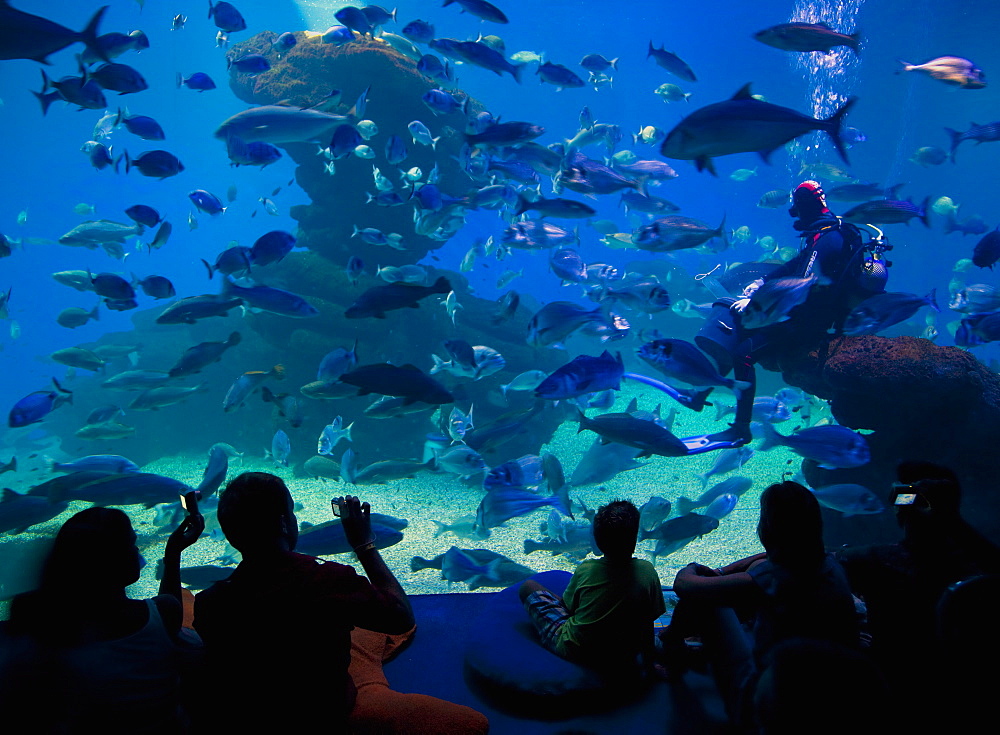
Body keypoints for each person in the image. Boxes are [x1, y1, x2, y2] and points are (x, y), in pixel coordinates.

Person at [193, 472, 487, 732]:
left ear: (231, 535)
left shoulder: (211, 604)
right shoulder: (328, 583)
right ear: (284, 523)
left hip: (256, 718)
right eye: (291, 512)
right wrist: (364, 545)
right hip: (324, 713)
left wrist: (173, 556)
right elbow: (400, 618)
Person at [680, 180, 889, 454]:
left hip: (807, 321)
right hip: (804, 312)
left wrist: (758, 303)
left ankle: (741, 427)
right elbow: (795, 265)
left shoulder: (828, 238)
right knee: (736, 327)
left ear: (803, 208)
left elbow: (805, 282)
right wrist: (762, 282)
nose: (795, 214)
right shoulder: (825, 234)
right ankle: (702, 392)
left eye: (796, 208)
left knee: (743, 352)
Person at [660, 481, 859, 730]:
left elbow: (685, 586)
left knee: (703, 599)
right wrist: (724, 571)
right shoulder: (828, 563)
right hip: (831, 700)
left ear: (768, 529)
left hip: (765, 705)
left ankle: (672, 651)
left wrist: (693, 568)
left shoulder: (771, 580)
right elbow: (766, 559)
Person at [0, 506, 204, 733]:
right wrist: (173, 553)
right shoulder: (162, 613)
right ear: (112, 560)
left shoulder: (40, 631)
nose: (136, 549)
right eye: (130, 543)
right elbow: (171, 610)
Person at [835, 461, 1000, 724]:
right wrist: (951, 518)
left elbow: (813, 570)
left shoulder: (869, 561)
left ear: (902, 509)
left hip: (897, 692)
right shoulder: (980, 563)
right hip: (973, 696)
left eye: (899, 497)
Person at [519, 499, 665, 671]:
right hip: (624, 652)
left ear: (597, 540)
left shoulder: (587, 569)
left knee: (528, 586)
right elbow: (648, 621)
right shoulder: (647, 571)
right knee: (657, 639)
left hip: (578, 650)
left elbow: (568, 607)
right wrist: (650, 662)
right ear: (634, 539)